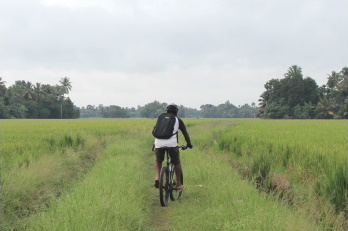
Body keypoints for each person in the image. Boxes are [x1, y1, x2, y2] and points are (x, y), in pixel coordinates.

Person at [153, 104, 193, 190]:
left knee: (158, 160)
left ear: (167, 111)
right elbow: (185, 134)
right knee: (176, 162)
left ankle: (158, 176)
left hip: (158, 143)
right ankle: (178, 183)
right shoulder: (178, 120)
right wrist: (189, 144)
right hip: (171, 144)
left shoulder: (161, 118)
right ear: (176, 112)